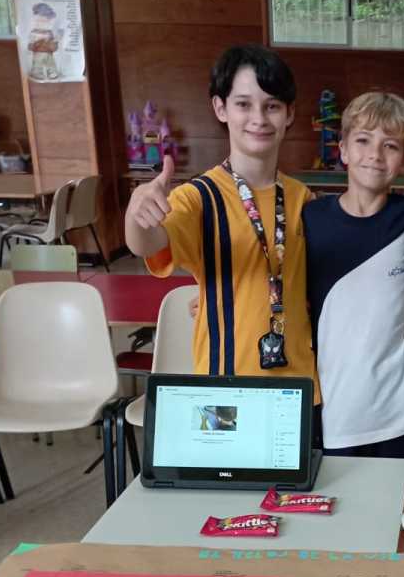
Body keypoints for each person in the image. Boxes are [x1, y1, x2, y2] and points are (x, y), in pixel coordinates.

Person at [124, 44, 318, 396]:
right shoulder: (199, 197)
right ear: (220, 108)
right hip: (226, 388)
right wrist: (138, 215)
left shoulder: (302, 198)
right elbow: (147, 243)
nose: (259, 118)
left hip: (298, 388)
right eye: (243, 104)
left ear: (289, 113)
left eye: (272, 106)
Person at [303, 91, 404, 458]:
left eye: (390, 145)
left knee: (399, 494)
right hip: (336, 405)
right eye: (363, 140)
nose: (375, 154)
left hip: (400, 411)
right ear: (343, 149)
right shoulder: (310, 219)